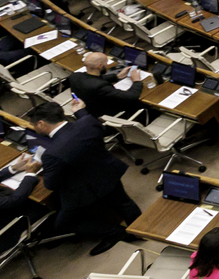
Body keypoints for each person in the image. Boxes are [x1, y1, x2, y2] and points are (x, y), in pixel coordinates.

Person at [31, 100, 141, 255]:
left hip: (83, 188)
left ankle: (114, 231)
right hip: (107, 172)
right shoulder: (87, 122)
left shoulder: (51, 154)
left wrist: (32, 170)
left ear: (41, 124)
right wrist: (80, 111)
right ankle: (140, 231)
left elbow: (51, 184)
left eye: (34, 125)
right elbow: (98, 128)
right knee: (124, 202)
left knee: (63, 223)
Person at [67, 52, 144, 117]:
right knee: (143, 104)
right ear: (99, 66)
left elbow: (91, 79)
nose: (107, 65)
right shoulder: (101, 87)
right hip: (107, 114)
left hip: (88, 109)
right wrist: (136, 81)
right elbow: (132, 96)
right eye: (106, 63)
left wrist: (117, 76)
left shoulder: (75, 76)